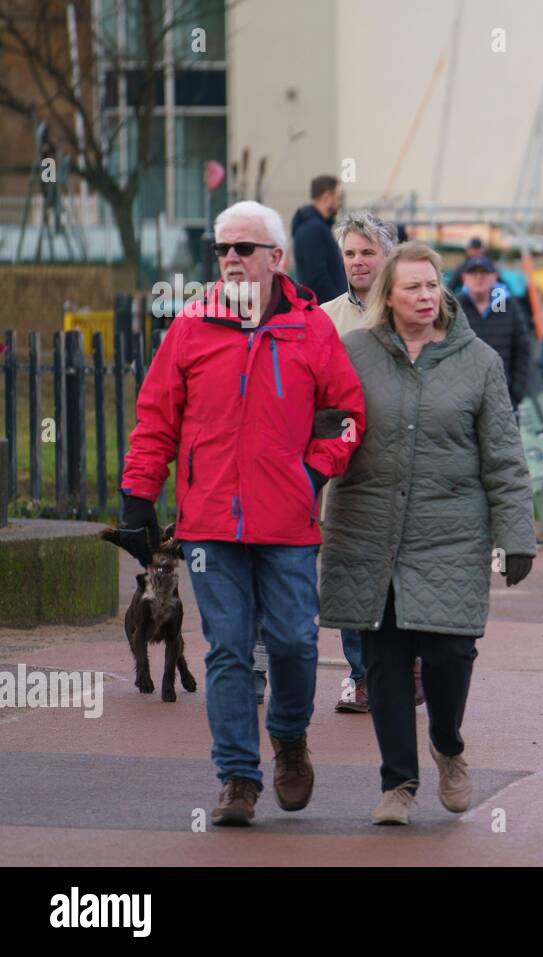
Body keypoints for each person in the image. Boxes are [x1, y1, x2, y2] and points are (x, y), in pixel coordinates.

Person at [119, 200, 366, 826]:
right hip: (209, 527)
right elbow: (155, 420)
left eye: (243, 249)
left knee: (292, 641)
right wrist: (139, 494)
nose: (229, 259)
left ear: (275, 259)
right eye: (221, 249)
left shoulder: (311, 330)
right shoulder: (191, 328)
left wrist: (309, 473)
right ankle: (236, 777)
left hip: (287, 525)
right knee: (228, 649)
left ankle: (288, 739)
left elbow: (345, 417)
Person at [319, 243, 536, 825]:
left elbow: (504, 458)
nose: (425, 295)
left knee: (449, 653)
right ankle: (398, 784)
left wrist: (517, 535)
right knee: (383, 662)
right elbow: (326, 434)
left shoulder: (479, 361)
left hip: (453, 533)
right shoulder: (354, 353)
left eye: (432, 285)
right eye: (412, 286)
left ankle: (448, 745)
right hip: (369, 530)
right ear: (387, 293)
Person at [316, 211, 399, 714]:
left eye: (368, 251)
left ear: (386, 255)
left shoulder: (414, 307)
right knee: (348, 570)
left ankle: (404, 661)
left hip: (402, 465)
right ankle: (362, 674)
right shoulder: (326, 318)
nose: (358, 262)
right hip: (345, 466)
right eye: (350, 253)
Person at [457, 255, 534, 408]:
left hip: (503, 399)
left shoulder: (509, 306)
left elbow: (523, 350)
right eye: (473, 273)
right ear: (464, 277)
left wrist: (516, 394)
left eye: (484, 273)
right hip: (462, 401)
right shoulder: (455, 307)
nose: (479, 278)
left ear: (494, 277)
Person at [290, 175, 347, 303]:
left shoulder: (318, 226)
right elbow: (317, 278)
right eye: (338, 197)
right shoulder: (312, 229)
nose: (340, 204)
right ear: (327, 197)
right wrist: (338, 304)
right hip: (327, 311)